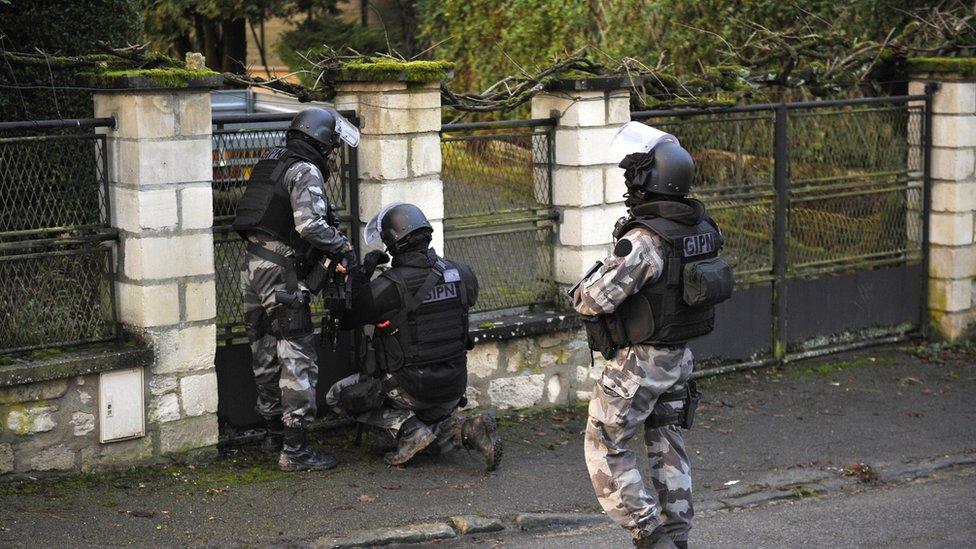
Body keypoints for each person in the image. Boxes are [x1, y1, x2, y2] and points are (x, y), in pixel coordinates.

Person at [571, 122, 733, 548]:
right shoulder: (701, 229)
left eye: (634, 174)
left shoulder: (645, 240)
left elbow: (593, 300)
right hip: (678, 359)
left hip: (637, 365)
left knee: (604, 444)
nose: (629, 182)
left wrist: (583, 287)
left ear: (648, 179)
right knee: (667, 441)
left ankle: (649, 533)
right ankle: (677, 536)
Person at [325, 203, 502, 472]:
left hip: (411, 388)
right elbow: (469, 297)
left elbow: (350, 318)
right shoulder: (461, 273)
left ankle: (409, 428)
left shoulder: (389, 286)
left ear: (393, 245)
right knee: (438, 436)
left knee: (337, 396)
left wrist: (361, 274)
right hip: (453, 386)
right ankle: (465, 430)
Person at [232, 107, 360, 472]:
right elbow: (309, 225)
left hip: (253, 264)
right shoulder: (305, 169)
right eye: (332, 147)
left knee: (264, 349)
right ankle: (296, 450)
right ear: (320, 140)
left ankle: (273, 433)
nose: (333, 154)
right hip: (282, 271)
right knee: (297, 353)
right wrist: (342, 246)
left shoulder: (271, 160)